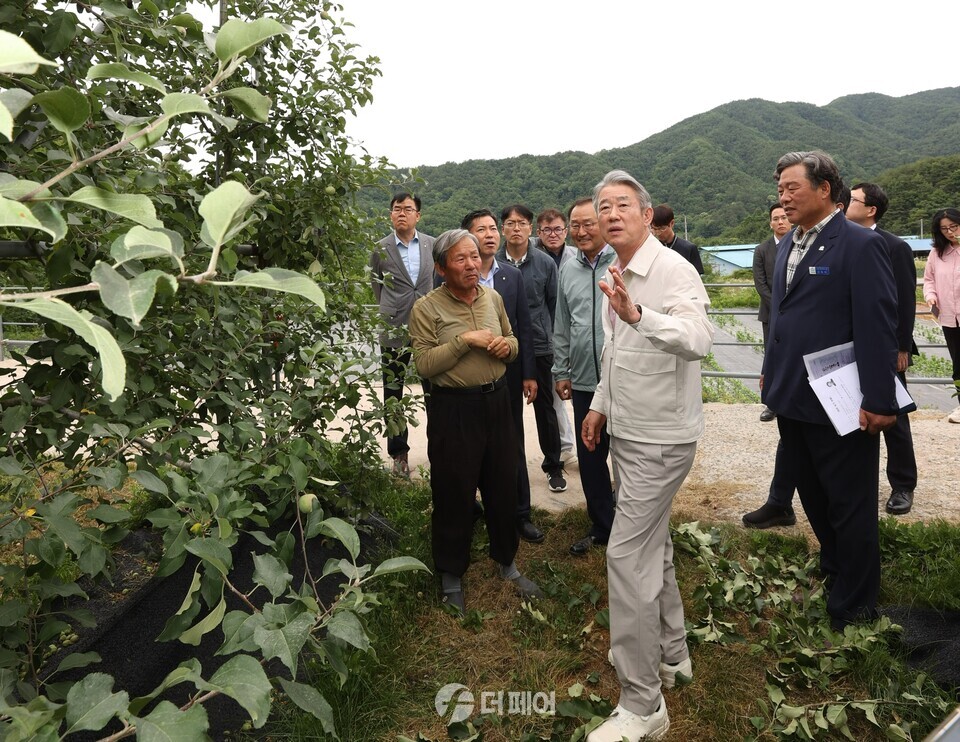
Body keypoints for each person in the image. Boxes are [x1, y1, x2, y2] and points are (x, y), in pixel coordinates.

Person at [582, 171, 713, 742]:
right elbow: (617, 351)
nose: (611, 214)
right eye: (602, 206)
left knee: (626, 556)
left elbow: (697, 338)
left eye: (622, 206)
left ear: (645, 213)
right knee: (652, 546)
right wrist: (599, 405)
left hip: (661, 439)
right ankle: (674, 653)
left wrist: (639, 315)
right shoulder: (616, 269)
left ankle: (643, 704)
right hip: (629, 430)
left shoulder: (671, 269)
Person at [762, 151, 898, 633]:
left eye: (792, 188)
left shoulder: (859, 245)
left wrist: (879, 399)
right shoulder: (788, 243)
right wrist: (769, 373)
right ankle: (835, 570)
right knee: (813, 496)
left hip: (840, 399)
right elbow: (782, 320)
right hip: (793, 396)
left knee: (850, 502)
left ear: (825, 189)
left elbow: (877, 325)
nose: (783, 196)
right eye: (780, 189)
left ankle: (856, 607)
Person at [408, 229, 543, 612]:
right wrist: (465, 340)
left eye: (474, 257)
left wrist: (507, 347)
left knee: (503, 483)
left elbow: (513, 341)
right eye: (460, 259)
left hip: (497, 403)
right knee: (454, 490)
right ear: (440, 267)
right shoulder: (426, 309)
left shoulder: (493, 297)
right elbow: (425, 365)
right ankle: (451, 574)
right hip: (454, 409)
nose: (471, 265)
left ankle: (507, 562)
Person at [462, 209, 544, 543]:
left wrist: (529, 374)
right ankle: (474, 508)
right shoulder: (451, 277)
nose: (490, 234)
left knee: (512, 443)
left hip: (507, 376)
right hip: (467, 379)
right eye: (480, 229)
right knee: (472, 446)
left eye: (493, 228)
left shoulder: (511, 275)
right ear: (467, 237)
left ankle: (520, 513)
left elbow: (523, 326)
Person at [847, 182, 919, 514]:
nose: (846, 203)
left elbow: (904, 302)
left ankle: (903, 484)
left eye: (853, 200)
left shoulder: (894, 246)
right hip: (850, 345)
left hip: (887, 348)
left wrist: (902, 347)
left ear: (871, 209)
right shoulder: (842, 241)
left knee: (895, 415)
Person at [552, 198, 617, 556]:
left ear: (604, 223)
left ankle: (633, 521)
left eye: (588, 224)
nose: (581, 231)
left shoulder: (621, 261)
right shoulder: (568, 268)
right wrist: (561, 370)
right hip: (582, 381)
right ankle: (602, 525)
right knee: (590, 453)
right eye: (575, 225)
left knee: (627, 452)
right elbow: (561, 324)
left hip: (621, 379)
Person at [496, 204, 567, 492]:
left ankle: (553, 465)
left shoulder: (544, 263)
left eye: (521, 223)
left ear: (530, 229)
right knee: (505, 411)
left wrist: (557, 344)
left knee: (545, 409)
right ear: (503, 228)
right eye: (510, 223)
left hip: (539, 345)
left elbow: (555, 307)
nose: (515, 228)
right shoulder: (492, 261)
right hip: (502, 347)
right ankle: (509, 469)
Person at [369, 193, 436, 477]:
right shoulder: (381, 248)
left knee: (435, 391)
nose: (402, 214)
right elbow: (375, 284)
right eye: (397, 209)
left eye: (408, 209)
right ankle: (399, 454)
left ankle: (441, 449)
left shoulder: (432, 245)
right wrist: (392, 308)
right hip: (393, 326)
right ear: (390, 214)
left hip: (429, 329)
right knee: (393, 392)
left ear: (418, 215)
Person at [536, 208, 578, 463]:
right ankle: (565, 446)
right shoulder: (534, 257)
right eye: (547, 230)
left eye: (558, 229)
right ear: (538, 233)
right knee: (555, 395)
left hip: (578, 333)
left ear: (566, 231)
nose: (553, 234)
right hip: (550, 337)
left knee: (585, 394)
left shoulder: (577, 256)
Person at [753, 203, 792, 423]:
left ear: (790, 221)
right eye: (776, 218)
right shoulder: (762, 250)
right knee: (771, 356)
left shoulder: (800, 244)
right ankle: (771, 403)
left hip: (797, 313)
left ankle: (792, 400)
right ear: (770, 223)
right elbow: (760, 284)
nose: (780, 222)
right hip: (771, 314)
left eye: (784, 218)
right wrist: (779, 305)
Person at [923, 208, 960, 424]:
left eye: (953, 227)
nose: (949, 232)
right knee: (958, 364)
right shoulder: (937, 253)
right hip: (949, 318)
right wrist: (930, 296)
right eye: (944, 229)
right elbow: (929, 279)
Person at [650, 204, 704, 274]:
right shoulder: (652, 249)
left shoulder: (689, 248)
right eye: (654, 229)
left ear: (672, 223)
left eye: (661, 229)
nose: (658, 233)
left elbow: (696, 277)